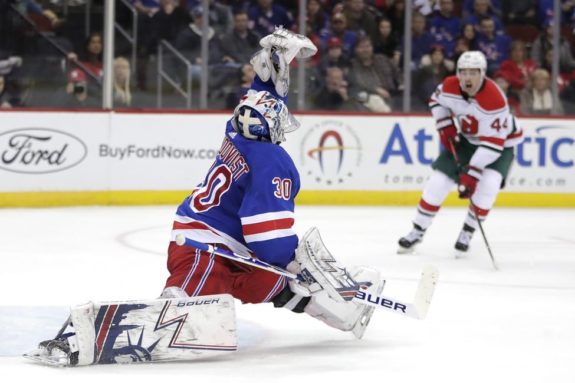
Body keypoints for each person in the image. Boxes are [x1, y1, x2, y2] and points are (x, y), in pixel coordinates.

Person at [163, 27, 384, 339]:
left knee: (274, 283)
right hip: (206, 244)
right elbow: (266, 237)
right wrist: (299, 264)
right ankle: (172, 310)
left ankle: (338, 311)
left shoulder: (236, 132)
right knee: (210, 277)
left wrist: (277, 59)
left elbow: (259, 103)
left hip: (222, 244)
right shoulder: (272, 162)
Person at [397, 51, 524, 253]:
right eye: (463, 72)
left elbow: (492, 145)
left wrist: (471, 174)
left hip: (500, 146)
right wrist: (445, 125)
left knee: (488, 186)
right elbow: (436, 101)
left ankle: (468, 231)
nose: (467, 77)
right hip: (466, 140)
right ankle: (418, 230)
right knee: (437, 182)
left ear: (482, 74)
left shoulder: (495, 100)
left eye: (473, 72)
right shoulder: (449, 86)